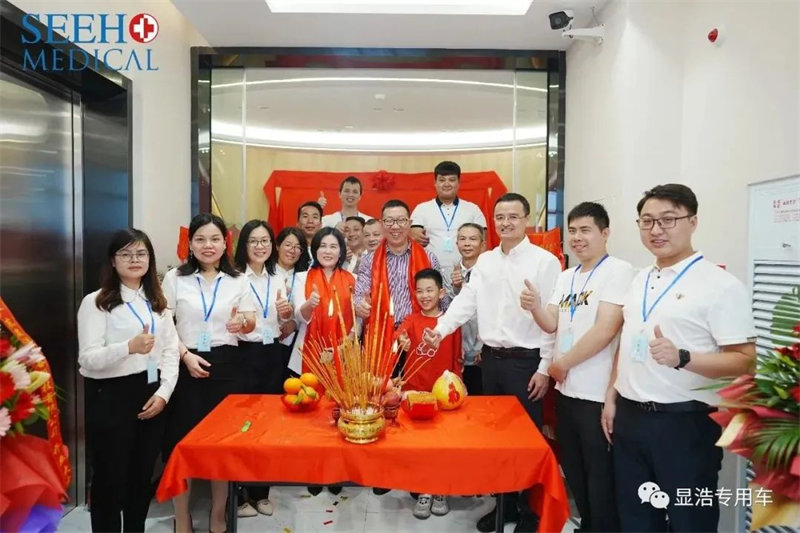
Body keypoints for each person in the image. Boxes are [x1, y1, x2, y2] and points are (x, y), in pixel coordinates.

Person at [602, 184, 755, 532]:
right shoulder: (639, 279)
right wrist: (612, 395)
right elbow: (628, 341)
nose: (656, 230)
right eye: (647, 221)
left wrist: (683, 358)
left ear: (693, 221)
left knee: (690, 521)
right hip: (630, 419)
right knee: (636, 519)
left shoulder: (721, 285)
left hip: (685, 424)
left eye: (668, 220)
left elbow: (746, 361)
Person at [422, 192, 561, 533]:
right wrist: (439, 330)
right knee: (497, 439)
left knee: (526, 441)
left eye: (513, 216)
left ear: (526, 220)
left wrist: (544, 368)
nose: (506, 222)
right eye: (500, 217)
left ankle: (529, 513)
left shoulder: (545, 262)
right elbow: (466, 303)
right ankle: (504, 505)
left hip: (525, 363)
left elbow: (554, 319)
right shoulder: (485, 262)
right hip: (491, 362)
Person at [524, 202, 633, 532]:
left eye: (585, 230)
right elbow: (551, 323)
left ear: (605, 233)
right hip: (567, 393)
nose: (577, 237)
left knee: (601, 480)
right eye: (572, 231)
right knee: (575, 472)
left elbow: (606, 329)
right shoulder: (566, 276)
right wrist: (534, 307)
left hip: (597, 396)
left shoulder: (619, 270)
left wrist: (561, 364)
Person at [77, 228, 179, 533]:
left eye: (141, 253)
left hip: (151, 394)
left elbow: (170, 350)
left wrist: (164, 393)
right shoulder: (97, 302)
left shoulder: (157, 302)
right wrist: (128, 348)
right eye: (126, 253)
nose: (134, 259)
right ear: (113, 260)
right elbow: (88, 359)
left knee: (141, 477)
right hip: (111, 396)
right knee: (109, 481)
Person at [161, 213, 257, 533]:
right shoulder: (175, 278)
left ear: (225, 244)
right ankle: (182, 517)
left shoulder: (238, 279)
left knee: (222, 445)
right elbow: (164, 326)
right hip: (185, 363)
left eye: (215, 239)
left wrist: (243, 324)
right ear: (190, 244)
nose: (208, 245)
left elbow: (250, 321)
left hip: (227, 365)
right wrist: (185, 356)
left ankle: (218, 514)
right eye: (200, 239)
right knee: (181, 445)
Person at [232, 220, 294, 518]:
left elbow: (282, 322)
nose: (260, 246)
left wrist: (286, 314)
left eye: (265, 241)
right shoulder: (234, 278)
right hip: (243, 355)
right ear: (244, 245)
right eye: (254, 241)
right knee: (242, 423)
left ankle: (261, 491)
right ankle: (238, 494)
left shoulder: (277, 277)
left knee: (268, 421)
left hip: (272, 353)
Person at [289, 226, 355, 498]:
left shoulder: (350, 279)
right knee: (311, 412)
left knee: (339, 412)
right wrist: (310, 304)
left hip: (342, 355)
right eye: (322, 246)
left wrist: (343, 346)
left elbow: (357, 322)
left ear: (341, 251)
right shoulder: (302, 277)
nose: (327, 251)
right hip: (310, 353)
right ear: (314, 249)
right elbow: (298, 316)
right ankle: (313, 471)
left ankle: (338, 470)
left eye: (333, 246)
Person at [394, 268, 462, 520]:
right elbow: (396, 338)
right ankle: (424, 489)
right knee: (420, 445)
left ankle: (441, 488)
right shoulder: (411, 320)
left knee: (443, 444)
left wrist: (457, 386)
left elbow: (456, 360)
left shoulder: (450, 324)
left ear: (441, 292)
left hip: (443, 394)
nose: (424, 295)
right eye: (419, 291)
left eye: (429, 290)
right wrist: (401, 341)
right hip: (415, 392)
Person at [355, 199, 449, 332]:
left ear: (410, 223)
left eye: (401, 220)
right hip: (381, 333)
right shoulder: (369, 260)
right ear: (382, 224)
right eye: (389, 221)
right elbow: (359, 294)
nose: (395, 226)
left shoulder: (429, 258)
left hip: (420, 333)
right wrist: (359, 304)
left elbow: (442, 299)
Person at [409, 161, 487, 292]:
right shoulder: (421, 209)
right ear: (435, 183)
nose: (446, 184)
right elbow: (413, 238)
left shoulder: (473, 209)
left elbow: (482, 244)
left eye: (452, 180)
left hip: (466, 275)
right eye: (442, 180)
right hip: (431, 276)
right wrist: (414, 235)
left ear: (459, 183)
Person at [450, 222, 486, 395]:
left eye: (472, 239)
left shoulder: (491, 273)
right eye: (462, 239)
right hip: (458, 354)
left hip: (483, 353)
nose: (467, 244)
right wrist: (456, 288)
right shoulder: (450, 273)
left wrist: (486, 346)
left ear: (482, 244)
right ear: (456, 243)